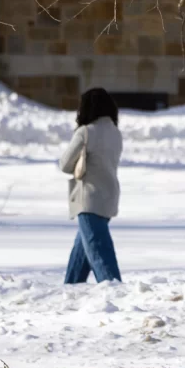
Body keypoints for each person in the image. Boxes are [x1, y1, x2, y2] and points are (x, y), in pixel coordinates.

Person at [59, 87, 123, 283]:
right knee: (83, 250)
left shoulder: (86, 132)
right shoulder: (116, 133)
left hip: (89, 200)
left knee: (100, 253)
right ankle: (69, 289)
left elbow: (65, 164)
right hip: (109, 198)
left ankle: (116, 292)